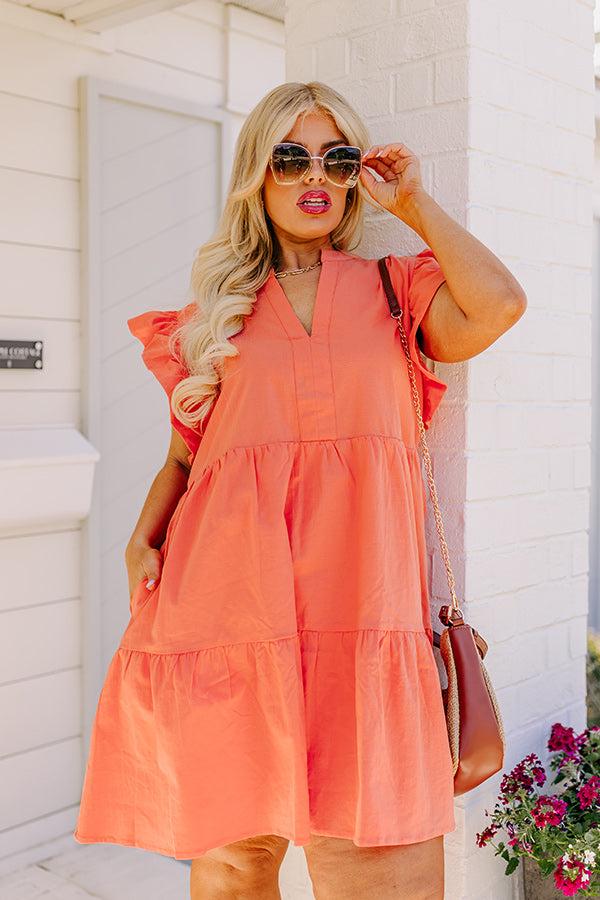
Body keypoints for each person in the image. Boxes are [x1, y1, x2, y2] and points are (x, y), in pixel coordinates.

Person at [73, 80, 526, 899]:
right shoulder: (214, 317)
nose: (315, 174)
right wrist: (140, 538)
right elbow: (185, 459)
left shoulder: (396, 289)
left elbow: (498, 305)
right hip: (229, 611)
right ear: (258, 172)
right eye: (290, 158)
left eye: (336, 158)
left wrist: (414, 204)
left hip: (365, 610)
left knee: (377, 863)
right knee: (233, 863)